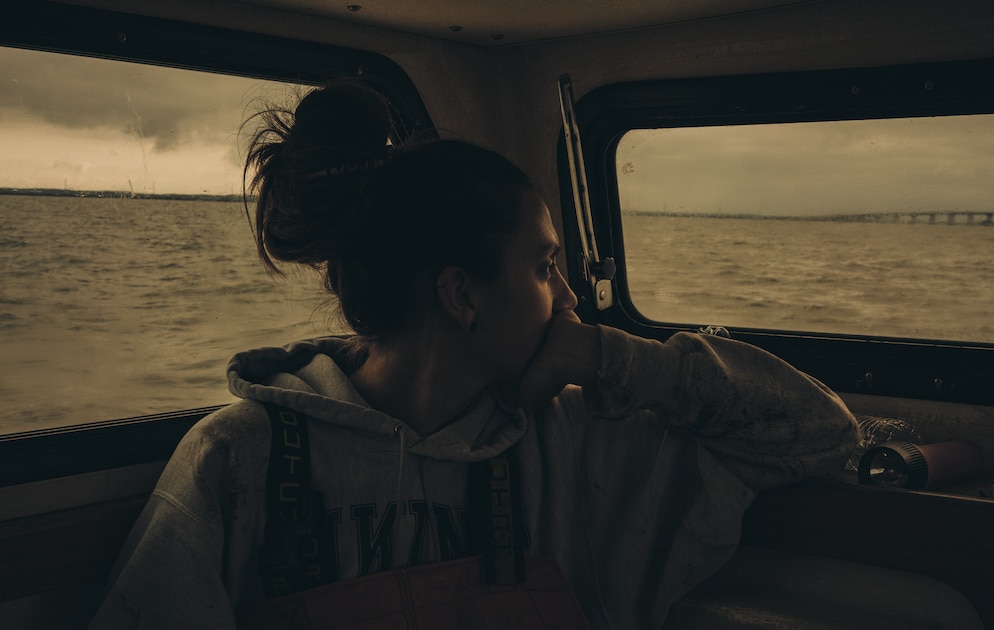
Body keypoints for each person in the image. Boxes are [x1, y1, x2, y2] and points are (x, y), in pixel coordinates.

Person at [88, 82, 859, 630]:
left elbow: (820, 432)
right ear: (462, 296)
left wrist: (607, 358)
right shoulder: (239, 459)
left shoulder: (574, 441)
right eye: (543, 267)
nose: (570, 299)